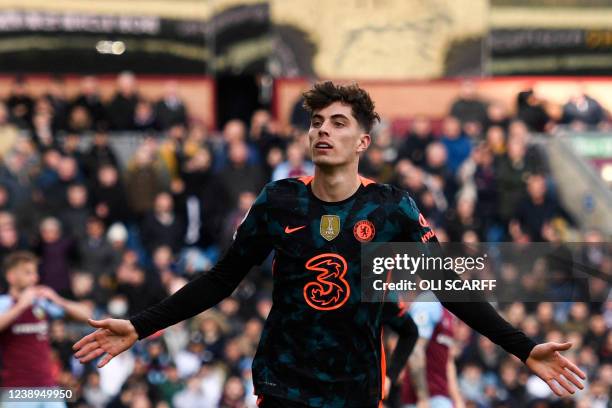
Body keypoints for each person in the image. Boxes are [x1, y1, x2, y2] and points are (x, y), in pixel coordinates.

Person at [74, 82, 585, 408]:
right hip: (283, 385)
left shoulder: (392, 207)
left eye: (338, 123)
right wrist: (141, 326)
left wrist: (522, 348)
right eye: (317, 122)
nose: (323, 130)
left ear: (363, 141)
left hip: (356, 390)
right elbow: (220, 279)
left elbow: (451, 288)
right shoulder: (279, 200)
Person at [0, 251, 90, 399]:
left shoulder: (41, 303)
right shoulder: (3, 303)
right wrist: (20, 306)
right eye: (28, 273)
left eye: (35, 273)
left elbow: (87, 316)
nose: (35, 278)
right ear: (11, 276)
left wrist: (56, 299)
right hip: (15, 388)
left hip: (47, 386)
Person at [400, 292, 463, 408]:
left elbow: (448, 360)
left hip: (441, 396)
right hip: (421, 399)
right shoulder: (428, 303)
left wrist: (458, 400)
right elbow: (415, 351)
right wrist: (423, 398)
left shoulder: (449, 312)